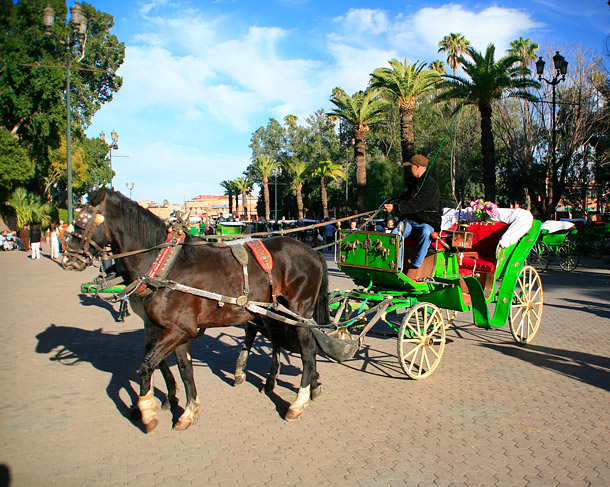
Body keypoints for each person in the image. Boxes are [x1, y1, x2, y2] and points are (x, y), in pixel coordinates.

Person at [383, 154, 441, 280]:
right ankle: (396, 267)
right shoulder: (414, 183)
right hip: (410, 220)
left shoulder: (431, 185)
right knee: (396, 234)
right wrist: (394, 204)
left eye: (411, 167)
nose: (409, 169)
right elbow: (405, 198)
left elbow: (418, 205)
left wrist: (396, 208)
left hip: (427, 221)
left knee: (426, 233)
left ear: (417, 167)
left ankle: (415, 267)